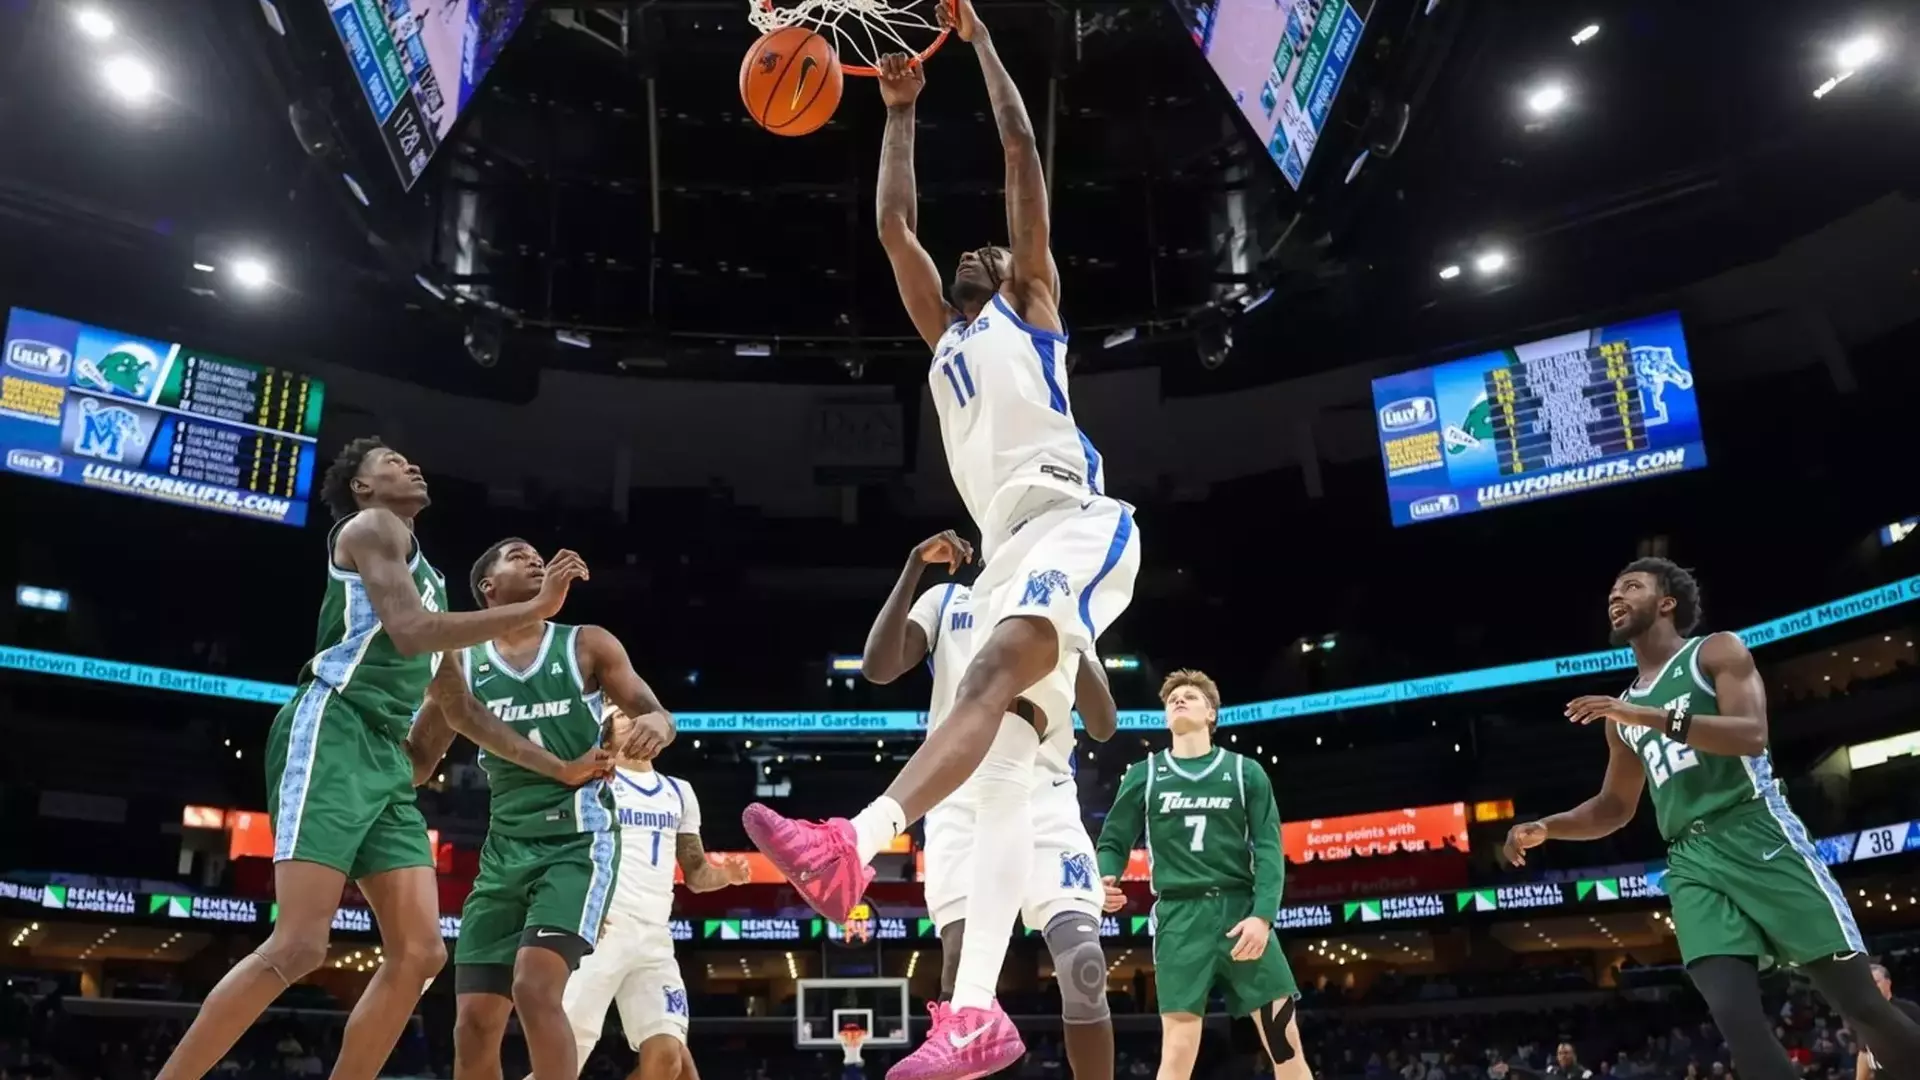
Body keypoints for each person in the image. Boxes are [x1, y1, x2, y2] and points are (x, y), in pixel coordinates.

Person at [741, 0, 1140, 1073]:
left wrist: (978, 44)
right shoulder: (944, 338)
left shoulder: (1037, 308)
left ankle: (852, 844)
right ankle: (971, 1017)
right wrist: (900, 110)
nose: (982, 249)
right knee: (997, 757)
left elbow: (1018, 147)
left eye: (997, 249)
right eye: (977, 254)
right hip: (1008, 543)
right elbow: (892, 229)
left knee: (997, 675)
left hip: (1074, 519)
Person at [154, 438, 590, 1080]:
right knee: (300, 944)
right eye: (390, 462)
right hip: (333, 726)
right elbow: (409, 633)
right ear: (362, 488)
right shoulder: (370, 527)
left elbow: (458, 710)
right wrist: (531, 609)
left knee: (420, 953)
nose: (411, 464)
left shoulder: (435, 583)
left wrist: (559, 770)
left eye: (412, 460)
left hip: (382, 754)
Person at [1503, 558, 1920, 1080]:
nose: (1616, 596)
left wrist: (1648, 716)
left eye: (1631, 586)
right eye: (1612, 589)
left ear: (1667, 602)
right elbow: (1614, 807)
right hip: (1691, 859)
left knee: (1862, 1006)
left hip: (1756, 831)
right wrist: (1549, 826)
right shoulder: (1624, 710)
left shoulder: (1716, 651)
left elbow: (1750, 733)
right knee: (1736, 1019)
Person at [860, 530, 1120, 1080]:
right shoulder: (948, 600)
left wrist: (1076, 633)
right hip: (959, 800)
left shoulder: (1057, 598)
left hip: (1043, 796)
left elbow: (1102, 725)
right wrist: (913, 566)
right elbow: (878, 667)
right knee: (960, 985)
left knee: (1084, 966)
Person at [430, 540, 677, 1080]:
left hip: (577, 841)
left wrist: (658, 723)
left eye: (536, 553)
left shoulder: (586, 643)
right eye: (516, 554)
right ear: (487, 587)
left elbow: (655, 713)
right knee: (472, 1024)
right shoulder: (459, 662)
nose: (533, 557)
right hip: (502, 851)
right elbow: (419, 759)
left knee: (534, 986)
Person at [1094, 671, 1305, 1080]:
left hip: (1241, 914)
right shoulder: (1146, 773)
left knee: (1284, 1041)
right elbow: (1114, 840)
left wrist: (1263, 917)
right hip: (1179, 916)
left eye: (1189, 696)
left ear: (1212, 713)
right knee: (1177, 1050)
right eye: (1172, 697)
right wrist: (1105, 877)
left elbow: (1267, 850)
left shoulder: (1246, 772)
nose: (1178, 700)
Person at [559, 708, 751, 1080]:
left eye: (637, 712)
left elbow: (695, 874)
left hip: (655, 939)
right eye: (619, 714)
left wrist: (725, 874)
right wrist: (573, 911)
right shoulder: (592, 782)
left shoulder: (679, 792)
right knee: (564, 1060)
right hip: (601, 931)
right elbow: (558, 853)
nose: (632, 717)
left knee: (667, 1058)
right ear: (605, 733)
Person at [1858, 964, 1920, 1078]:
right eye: (1868, 984)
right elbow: (1864, 1051)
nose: (1872, 988)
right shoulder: (1865, 1015)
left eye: (1876, 982)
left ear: (1888, 983)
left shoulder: (1909, 1009)